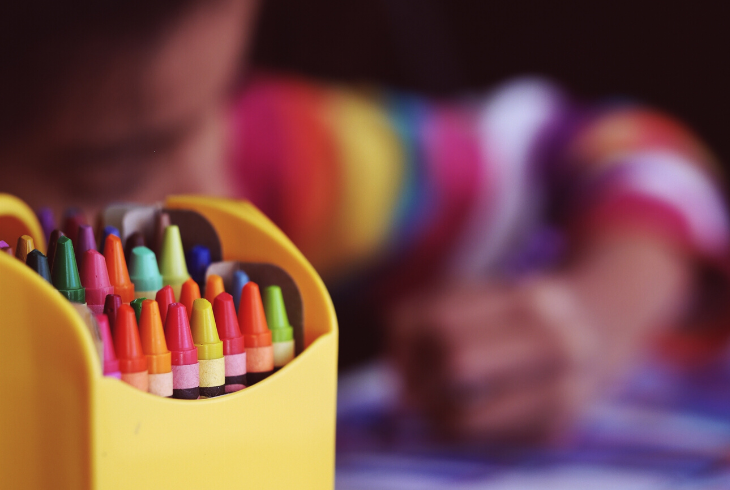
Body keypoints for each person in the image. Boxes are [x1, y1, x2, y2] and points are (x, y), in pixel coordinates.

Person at [1, 0, 728, 442]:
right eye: (110, 169)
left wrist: (595, 315)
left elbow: (615, 152)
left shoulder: (273, 155)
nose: (218, 192)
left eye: (230, 87)